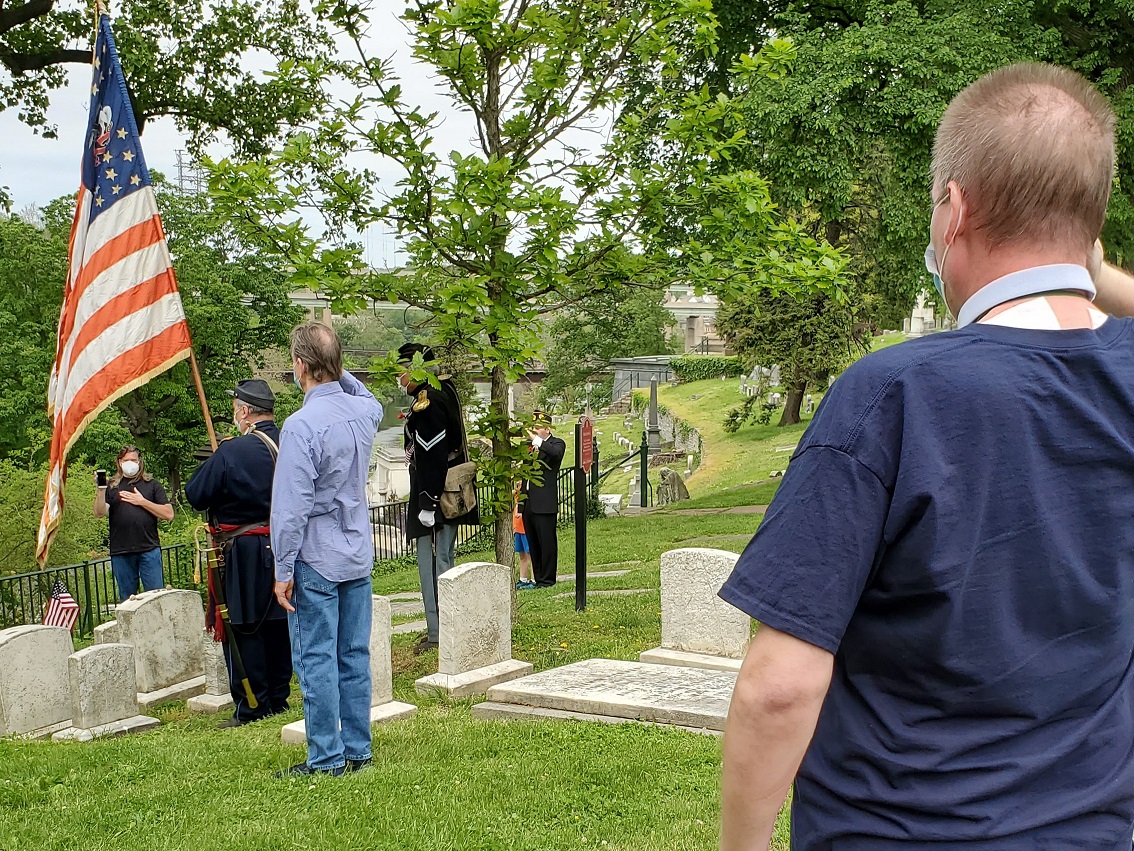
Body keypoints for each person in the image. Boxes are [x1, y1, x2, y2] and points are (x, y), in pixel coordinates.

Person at [719, 63, 1134, 850]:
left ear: (954, 210)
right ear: (1094, 217)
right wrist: (1095, 272)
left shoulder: (891, 394)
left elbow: (778, 688)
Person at [271, 322, 383, 777]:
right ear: (336, 365)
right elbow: (370, 398)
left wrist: (282, 567)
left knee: (316, 656)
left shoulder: (300, 426)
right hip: (356, 549)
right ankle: (358, 750)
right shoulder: (365, 413)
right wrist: (340, 374)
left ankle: (326, 758)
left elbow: (291, 507)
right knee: (354, 654)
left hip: (316, 552)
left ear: (300, 366)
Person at [185, 378, 291, 728]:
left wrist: (220, 460)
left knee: (245, 629)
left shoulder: (233, 450)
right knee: (278, 626)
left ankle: (252, 705)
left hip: (244, 551)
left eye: (236, 412)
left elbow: (196, 493)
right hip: (284, 545)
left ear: (244, 412)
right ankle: (279, 698)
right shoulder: (290, 441)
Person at [397, 342, 477, 653]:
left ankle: (438, 631)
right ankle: (445, 626)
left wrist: (427, 503)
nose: (399, 379)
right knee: (444, 558)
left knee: (432, 562)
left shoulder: (427, 401)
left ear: (414, 371)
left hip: (434, 493)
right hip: (446, 489)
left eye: (402, 372)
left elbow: (431, 456)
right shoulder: (446, 390)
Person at [94, 445, 174, 602]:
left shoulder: (152, 485)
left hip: (149, 550)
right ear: (119, 462)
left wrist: (142, 502)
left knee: (155, 598)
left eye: (133, 460)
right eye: (126, 460)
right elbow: (99, 512)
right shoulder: (112, 486)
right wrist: (100, 490)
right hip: (121, 552)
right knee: (127, 601)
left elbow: (168, 514)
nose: (130, 463)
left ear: (139, 462)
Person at [520, 410, 565, 588]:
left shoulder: (556, 443)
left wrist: (537, 440)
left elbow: (555, 454)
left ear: (547, 428)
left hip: (544, 503)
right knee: (533, 543)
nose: (534, 431)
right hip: (529, 501)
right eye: (533, 428)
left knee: (547, 542)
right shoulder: (529, 447)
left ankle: (548, 579)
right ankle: (538, 578)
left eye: (538, 428)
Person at [513, 483, 534, 590]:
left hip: (526, 529)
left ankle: (534, 579)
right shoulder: (517, 496)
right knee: (522, 554)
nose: (518, 487)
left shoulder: (528, 497)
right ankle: (523, 579)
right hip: (518, 528)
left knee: (530, 553)